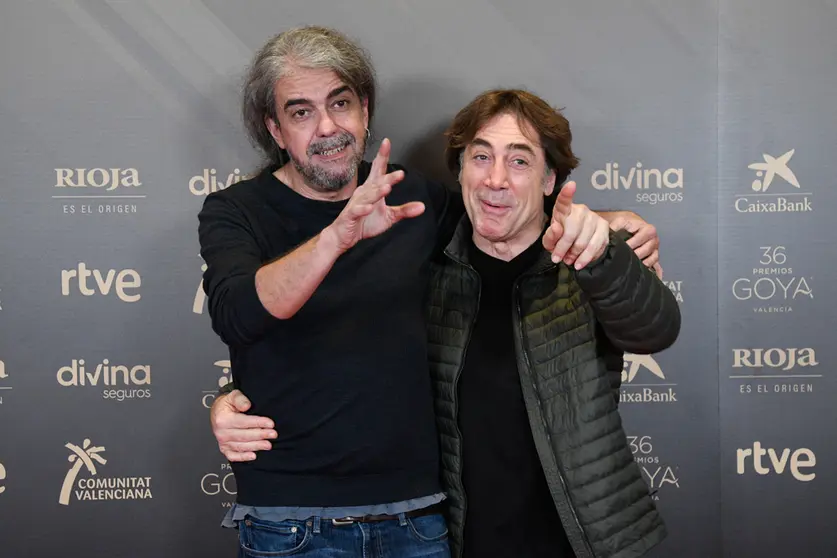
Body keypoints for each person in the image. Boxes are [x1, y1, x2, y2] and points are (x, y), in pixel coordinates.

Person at [200, 25, 666, 558]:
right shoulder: (234, 211)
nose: (328, 126)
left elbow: (504, 220)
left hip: (417, 518)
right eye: (301, 112)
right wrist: (335, 238)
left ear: (366, 110)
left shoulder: (413, 198)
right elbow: (239, 312)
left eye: (341, 103)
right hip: (292, 521)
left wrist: (607, 224)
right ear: (276, 130)